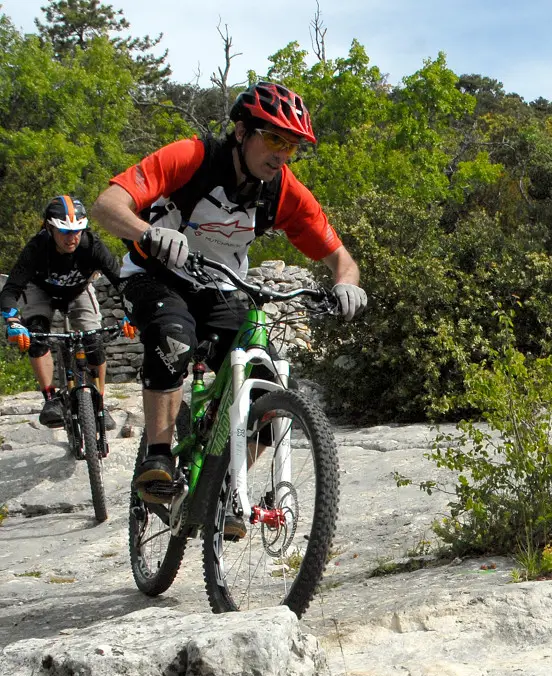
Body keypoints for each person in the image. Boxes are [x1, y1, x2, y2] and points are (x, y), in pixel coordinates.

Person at [90, 80, 367, 526]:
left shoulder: (282, 190)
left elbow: (341, 258)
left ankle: (222, 491)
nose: (281, 154)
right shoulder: (191, 158)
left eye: (291, 146)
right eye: (274, 139)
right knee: (174, 341)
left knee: (271, 396)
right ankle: (158, 460)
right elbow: (106, 206)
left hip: (218, 286)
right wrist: (148, 233)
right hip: (156, 276)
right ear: (241, 131)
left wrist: (346, 284)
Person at [2, 196, 131, 429]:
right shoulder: (37, 247)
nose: (72, 238)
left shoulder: (92, 246)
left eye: (77, 231)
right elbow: (11, 289)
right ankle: (50, 399)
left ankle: (98, 402)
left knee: (94, 340)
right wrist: (13, 320)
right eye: (64, 232)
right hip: (41, 290)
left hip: (79, 290)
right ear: (50, 228)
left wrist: (133, 313)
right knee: (36, 335)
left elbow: (123, 283)